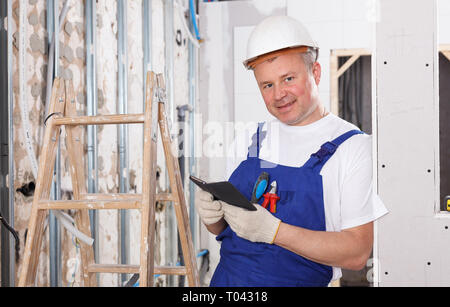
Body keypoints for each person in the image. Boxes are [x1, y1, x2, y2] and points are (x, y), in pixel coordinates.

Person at [195, 15, 388, 287]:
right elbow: (229, 230)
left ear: (316, 73)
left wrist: (275, 232)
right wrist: (212, 218)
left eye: (288, 78)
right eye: (267, 85)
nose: (278, 95)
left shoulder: (353, 147)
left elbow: (357, 253)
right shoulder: (248, 139)